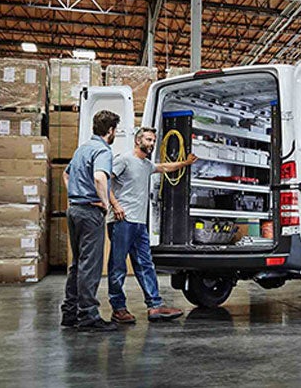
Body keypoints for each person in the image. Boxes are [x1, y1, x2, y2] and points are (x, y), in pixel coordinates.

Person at [107, 126, 198, 324]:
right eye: (148, 139)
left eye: (153, 140)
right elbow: (105, 182)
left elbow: (165, 167)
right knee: (118, 266)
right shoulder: (124, 160)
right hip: (122, 221)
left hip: (139, 223)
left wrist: (186, 162)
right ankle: (118, 308)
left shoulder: (146, 164)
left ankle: (154, 306)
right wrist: (115, 206)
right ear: (137, 140)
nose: (151, 143)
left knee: (146, 264)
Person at [61, 110, 121, 332]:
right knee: (90, 266)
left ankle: (70, 313)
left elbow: (66, 175)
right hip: (90, 213)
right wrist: (105, 203)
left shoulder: (82, 149)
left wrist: (75, 195)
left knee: (77, 264)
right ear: (111, 131)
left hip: (75, 210)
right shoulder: (103, 150)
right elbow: (99, 177)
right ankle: (88, 316)